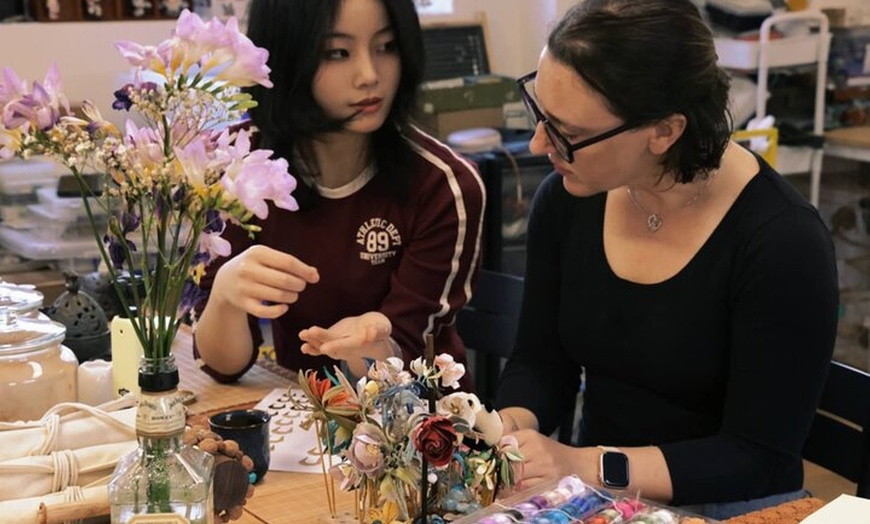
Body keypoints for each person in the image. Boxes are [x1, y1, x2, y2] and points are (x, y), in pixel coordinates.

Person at [494, 0, 838, 519]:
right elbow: (541, 361)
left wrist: (583, 464)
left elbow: (756, 456)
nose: (541, 142)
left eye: (570, 132)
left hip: (732, 506)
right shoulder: (569, 199)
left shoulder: (781, 242)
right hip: (600, 496)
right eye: (539, 112)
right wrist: (511, 427)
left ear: (664, 131)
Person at [193, 0, 484, 387]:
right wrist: (226, 296)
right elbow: (222, 366)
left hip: (420, 426)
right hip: (302, 414)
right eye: (337, 53)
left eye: (387, 46)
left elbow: (410, 343)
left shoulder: (444, 185)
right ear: (285, 53)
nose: (369, 75)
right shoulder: (236, 162)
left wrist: (372, 341)